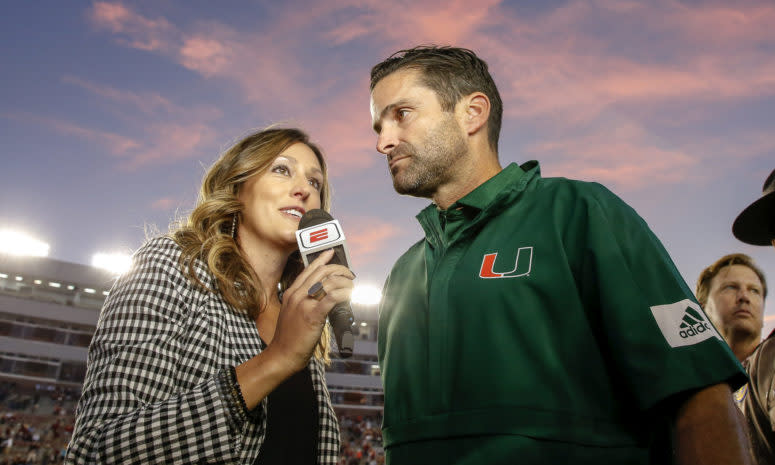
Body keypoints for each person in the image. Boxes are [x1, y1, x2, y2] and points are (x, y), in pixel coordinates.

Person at [369, 45, 751, 464]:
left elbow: (699, 393)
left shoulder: (579, 211)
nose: (384, 141)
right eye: (377, 127)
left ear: (472, 113)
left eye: (401, 114)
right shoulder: (402, 272)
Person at [65, 127, 354, 464]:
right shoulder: (173, 267)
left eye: (315, 183)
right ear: (237, 187)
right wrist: (277, 359)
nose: (304, 189)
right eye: (281, 169)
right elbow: (97, 451)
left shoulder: (301, 312)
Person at [696, 253, 771, 464]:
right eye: (730, 287)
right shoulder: (690, 388)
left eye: (754, 291)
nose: (744, 297)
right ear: (702, 308)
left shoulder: (770, 360)